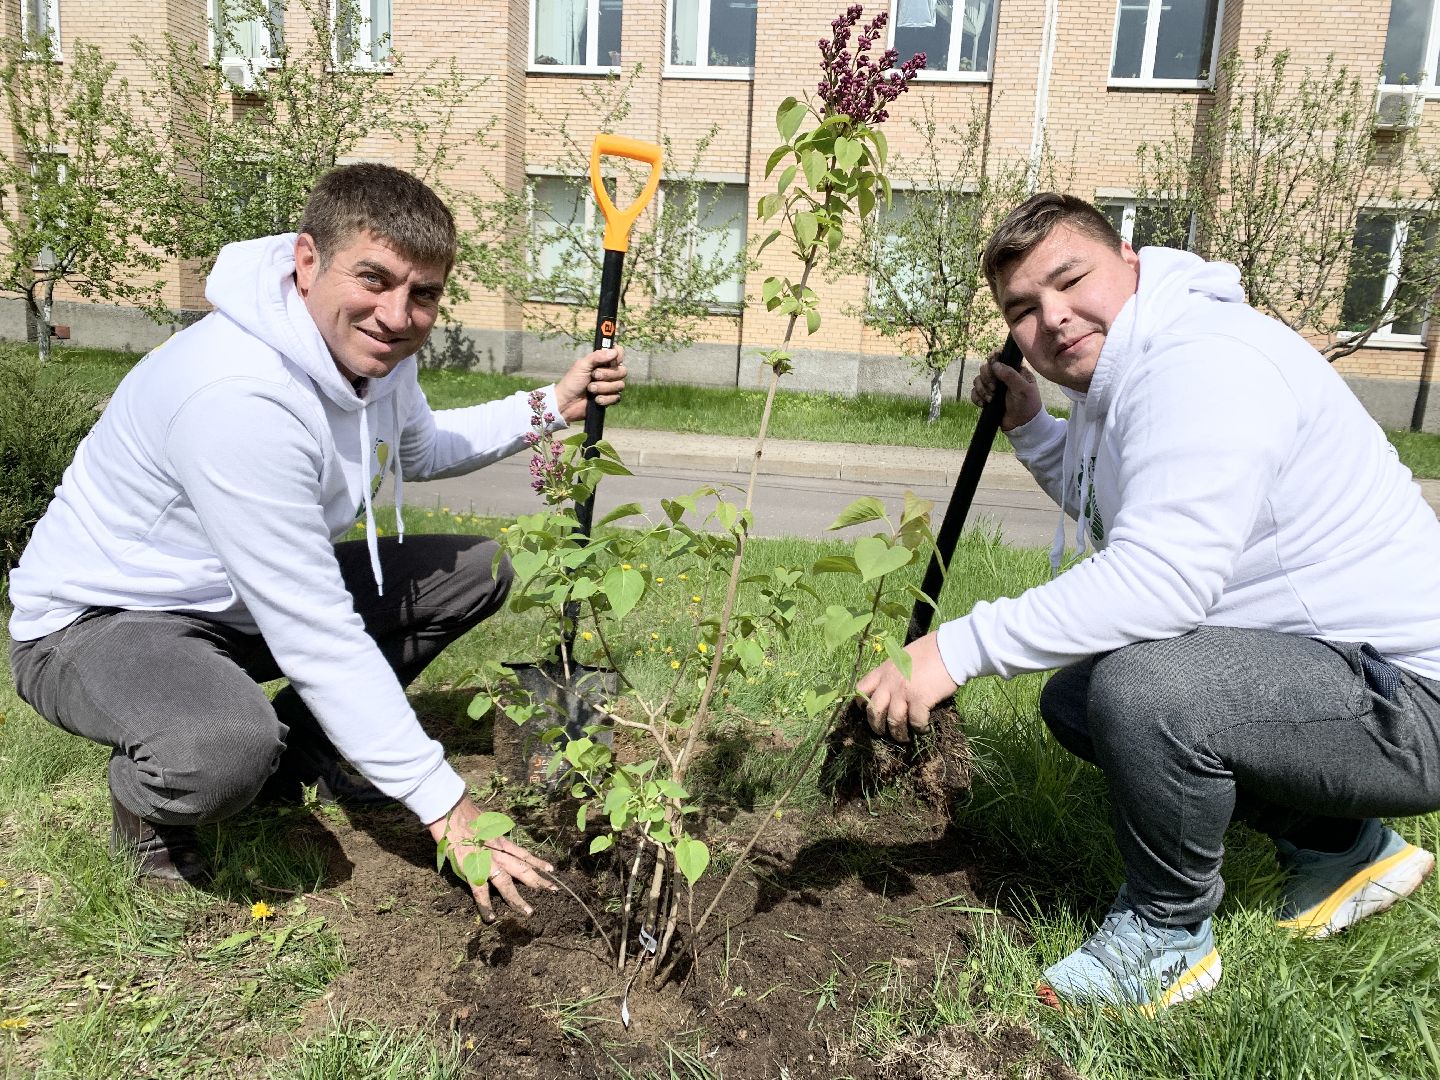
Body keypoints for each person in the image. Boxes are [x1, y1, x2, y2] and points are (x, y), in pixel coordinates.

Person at [858, 192, 1440, 1011]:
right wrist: (1033, 427)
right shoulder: (1134, 364)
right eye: (1023, 309)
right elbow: (1122, 509)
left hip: (1410, 700)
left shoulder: (1203, 362)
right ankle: (1348, 851)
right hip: (1342, 676)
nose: (1052, 320)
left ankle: (1167, 937)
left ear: (1129, 258)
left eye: (1069, 280)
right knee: (1080, 697)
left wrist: (953, 648)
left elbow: (1162, 578)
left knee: (1145, 693)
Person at [7, 163, 627, 923]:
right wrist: (447, 807)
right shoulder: (237, 396)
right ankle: (152, 803)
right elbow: (315, 632)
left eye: (422, 294)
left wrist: (552, 405)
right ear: (307, 261)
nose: (397, 315)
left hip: (235, 603)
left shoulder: (375, 354)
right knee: (224, 746)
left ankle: (305, 751)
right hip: (103, 622)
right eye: (374, 278)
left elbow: (422, 449)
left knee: (477, 568)